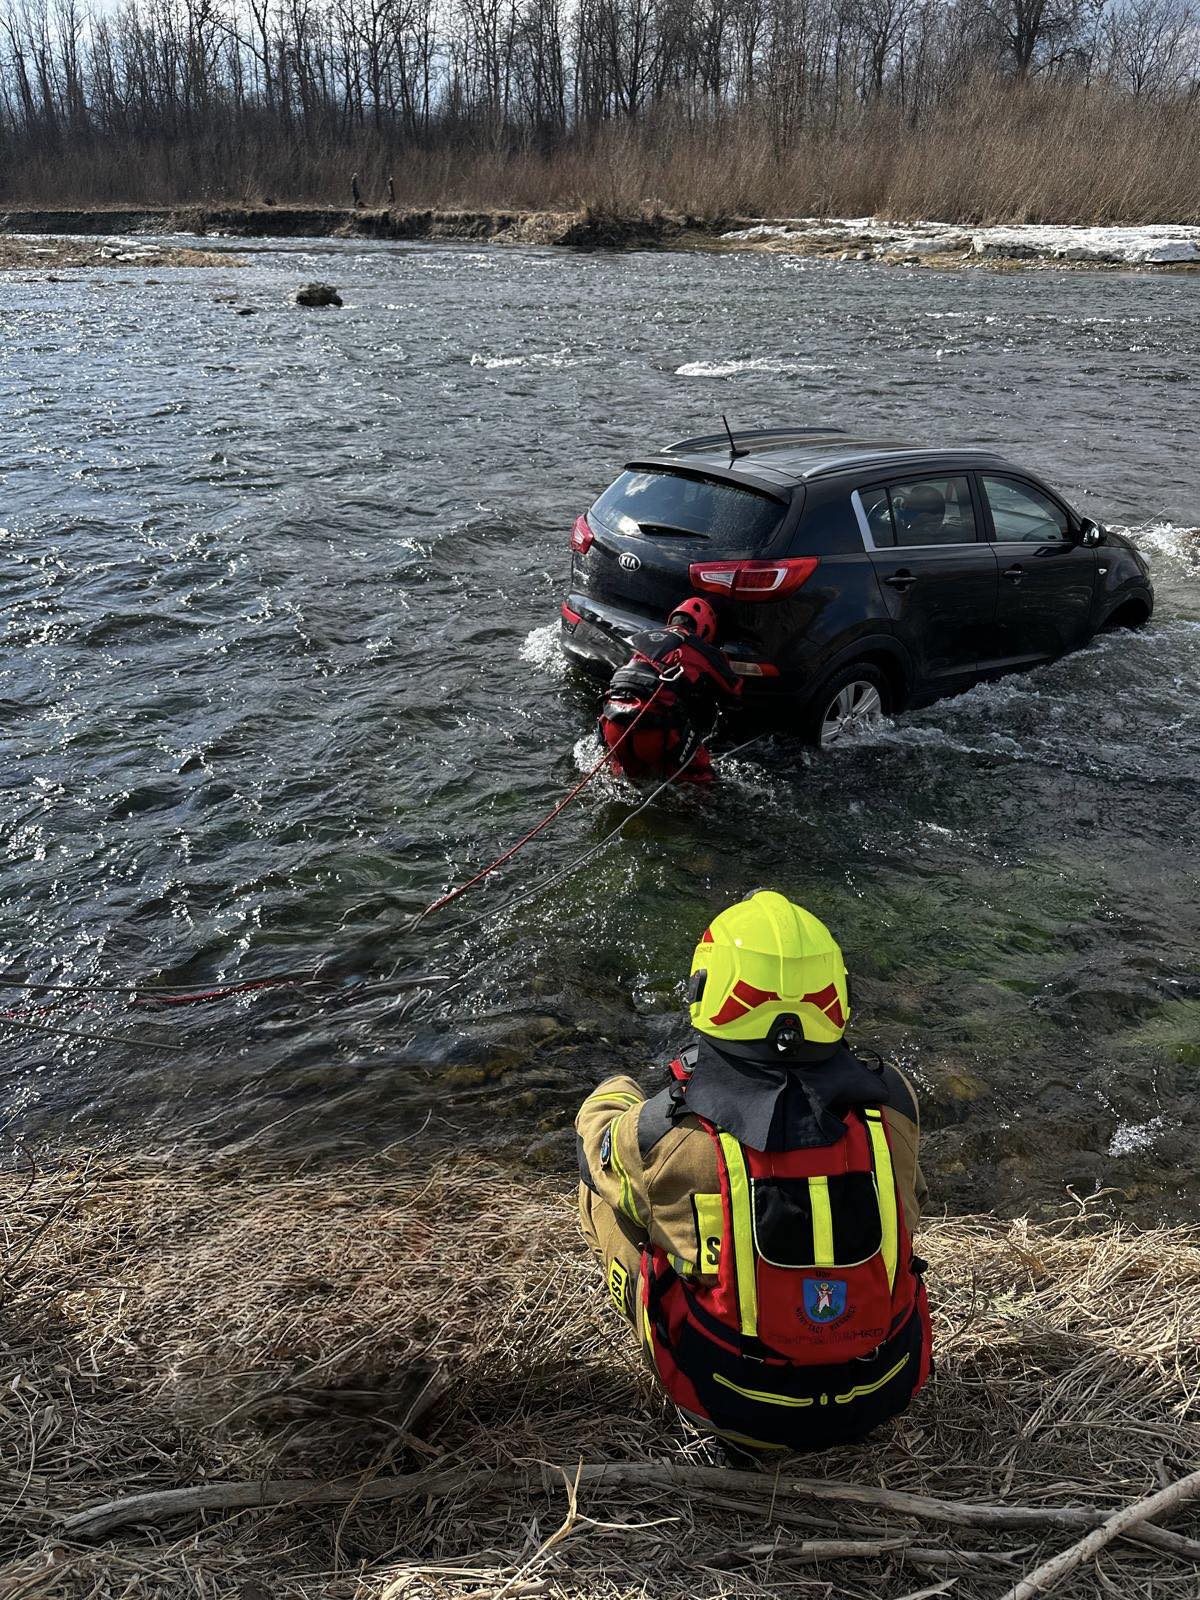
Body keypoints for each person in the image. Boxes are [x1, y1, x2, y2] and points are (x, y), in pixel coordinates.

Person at [575, 891, 930, 1452]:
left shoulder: (661, 1133)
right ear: (837, 996)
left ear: (706, 991)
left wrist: (614, 1092)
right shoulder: (894, 1101)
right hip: (882, 1387)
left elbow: (595, 1146)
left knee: (604, 1188)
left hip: (728, 1400)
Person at [598, 598, 741, 785]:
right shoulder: (698, 646)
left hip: (612, 725)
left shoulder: (641, 638)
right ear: (705, 628)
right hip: (656, 733)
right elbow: (733, 689)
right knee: (702, 785)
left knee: (628, 785)